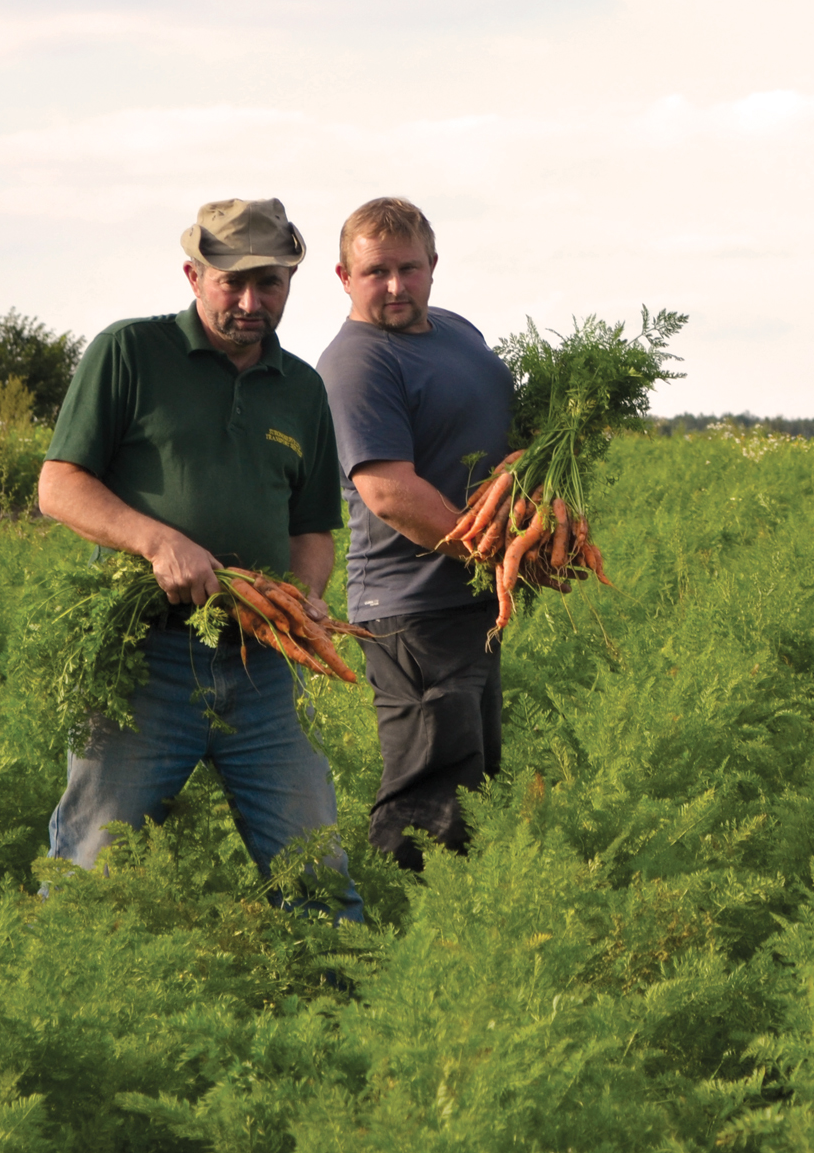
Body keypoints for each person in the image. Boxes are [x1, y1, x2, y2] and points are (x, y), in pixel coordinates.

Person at [39, 198, 362, 919]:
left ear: (290, 281)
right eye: (232, 283)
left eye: (269, 284)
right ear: (194, 274)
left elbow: (312, 527)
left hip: (260, 664)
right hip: (146, 659)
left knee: (315, 864)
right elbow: (58, 485)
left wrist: (304, 596)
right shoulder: (129, 353)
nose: (251, 302)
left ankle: (342, 1004)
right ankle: (53, 999)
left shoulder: (302, 388)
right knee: (94, 860)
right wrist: (158, 540)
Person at [316, 197, 518, 872]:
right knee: (428, 800)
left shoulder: (457, 331)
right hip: (414, 607)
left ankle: (461, 924)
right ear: (345, 277)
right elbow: (389, 492)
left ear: (433, 265)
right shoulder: (357, 363)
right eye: (377, 272)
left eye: (409, 268)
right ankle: (398, 939)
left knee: (476, 782)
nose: (396, 285)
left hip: (467, 599)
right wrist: (501, 551)